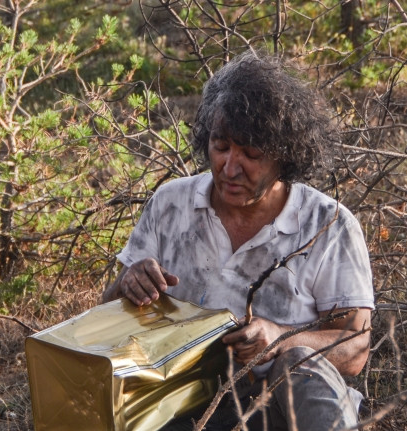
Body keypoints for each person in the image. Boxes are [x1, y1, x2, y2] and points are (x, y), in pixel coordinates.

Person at [102, 52, 374, 431]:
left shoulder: (327, 224)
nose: (230, 168)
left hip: (282, 408)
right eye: (221, 146)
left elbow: (356, 347)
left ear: (285, 155)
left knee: (300, 362)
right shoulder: (171, 204)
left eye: (251, 153)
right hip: (181, 401)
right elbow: (106, 317)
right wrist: (128, 283)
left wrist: (280, 341)